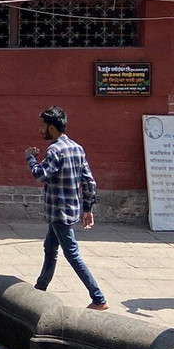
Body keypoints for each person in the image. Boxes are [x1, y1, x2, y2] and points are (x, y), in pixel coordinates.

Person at [26, 106, 108, 310]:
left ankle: (98, 298)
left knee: (72, 254)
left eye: (42, 126)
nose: (39, 130)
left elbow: (40, 175)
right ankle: (40, 288)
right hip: (69, 210)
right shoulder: (77, 148)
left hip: (58, 211)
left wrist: (30, 158)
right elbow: (89, 181)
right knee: (50, 248)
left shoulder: (55, 150)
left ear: (52, 128)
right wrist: (87, 207)